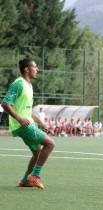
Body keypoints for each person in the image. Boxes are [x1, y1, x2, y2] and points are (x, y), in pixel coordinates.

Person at [0, 58, 55, 189]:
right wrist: (19, 119)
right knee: (50, 144)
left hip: (27, 124)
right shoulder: (18, 84)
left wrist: (41, 123)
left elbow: (28, 111)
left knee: (37, 153)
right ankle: (35, 176)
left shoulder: (29, 86)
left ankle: (25, 180)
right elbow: (5, 104)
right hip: (23, 126)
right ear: (27, 69)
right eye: (35, 67)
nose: (37, 69)